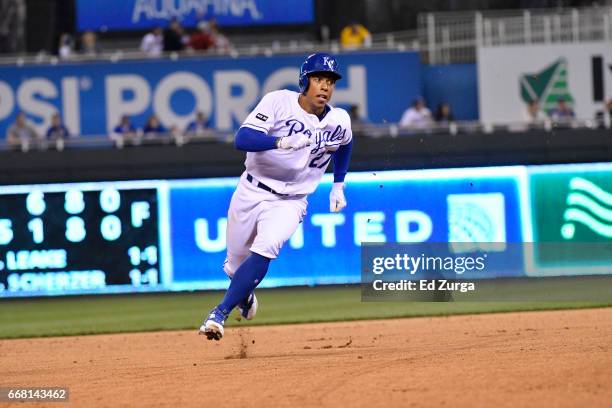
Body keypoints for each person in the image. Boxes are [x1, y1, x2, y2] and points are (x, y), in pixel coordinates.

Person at [199, 53, 353, 341]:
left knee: (267, 247)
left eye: (330, 81)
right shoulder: (277, 102)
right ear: (304, 81)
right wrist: (280, 141)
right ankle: (244, 295)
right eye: (318, 79)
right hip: (252, 190)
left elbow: (345, 144)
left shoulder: (339, 119)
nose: (325, 86)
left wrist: (338, 184)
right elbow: (241, 138)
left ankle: (218, 314)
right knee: (234, 266)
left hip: (291, 200)